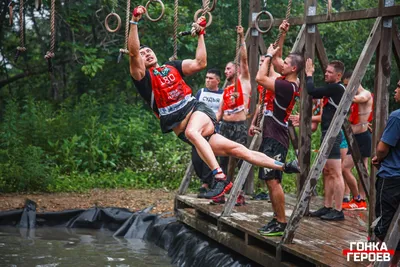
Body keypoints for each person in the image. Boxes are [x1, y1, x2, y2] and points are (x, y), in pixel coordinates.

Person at [128, 6, 300, 203]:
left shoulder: (171, 66)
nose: (147, 53)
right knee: (238, 150)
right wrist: (134, 22)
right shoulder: (142, 78)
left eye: (149, 51)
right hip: (187, 131)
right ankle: (284, 166)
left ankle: (219, 177)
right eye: (144, 53)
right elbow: (133, 54)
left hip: (196, 112)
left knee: (194, 133)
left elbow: (200, 63)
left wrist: (201, 35)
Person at [251, 20, 303, 236]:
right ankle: (276, 219)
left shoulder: (286, 86)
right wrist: (282, 34)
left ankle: (281, 222)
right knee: (269, 179)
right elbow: (279, 59)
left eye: (285, 62)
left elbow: (260, 77)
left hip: (276, 138)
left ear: (293, 68)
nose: (280, 62)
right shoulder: (287, 79)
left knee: (273, 180)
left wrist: (268, 56)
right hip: (271, 135)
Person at [305, 58, 346, 221]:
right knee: (327, 171)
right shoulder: (333, 88)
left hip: (333, 135)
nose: (325, 74)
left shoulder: (336, 88)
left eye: (329, 72)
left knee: (336, 173)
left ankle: (338, 209)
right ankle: (328, 206)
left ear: (338, 75)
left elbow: (312, 91)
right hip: (327, 133)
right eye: (326, 71)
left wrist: (309, 74)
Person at [370, 81, 400, 267]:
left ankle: (379, 264)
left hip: (391, 176)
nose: (396, 90)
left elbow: (382, 148)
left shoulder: (397, 117)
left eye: (399, 87)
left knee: (383, 223)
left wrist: (378, 158)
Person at [217, 26, 251, 183]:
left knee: (240, 158)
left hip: (238, 126)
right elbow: (219, 112)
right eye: (225, 69)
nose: (225, 71)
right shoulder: (226, 89)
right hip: (225, 126)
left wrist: (242, 37)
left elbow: (244, 60)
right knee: (221, 159)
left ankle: (240, 192)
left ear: (237, 70)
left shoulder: (243, 81)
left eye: (228, 68)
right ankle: (221, 189)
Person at [341, 70, 372, 210]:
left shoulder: (365, 93)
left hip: (363, 136)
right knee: (362, 167)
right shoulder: (356, 94)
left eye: (348, 85)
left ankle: (358, 198)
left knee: (346, 168)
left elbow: (360, 99)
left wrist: (341, 93)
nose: (347, 88)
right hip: (356, 136)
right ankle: (361, 200)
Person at [192, 68, 223, 193]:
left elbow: (222, 112)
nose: (207, 80)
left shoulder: (222, 94)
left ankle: (206, 184)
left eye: (211, 78)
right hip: (198, 129)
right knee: (196, 158)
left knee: (208, 157)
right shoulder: (201, 92)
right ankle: (205, 180)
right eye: (206, 78)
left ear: (218, 81)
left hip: (214, 130)